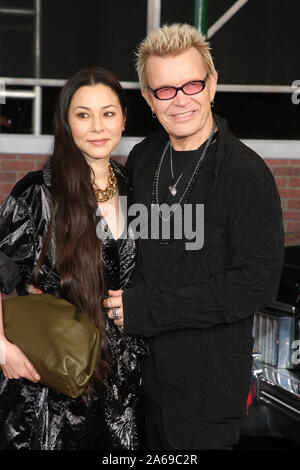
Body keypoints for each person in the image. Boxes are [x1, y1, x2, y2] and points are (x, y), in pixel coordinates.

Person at [104, 23, 284, 450]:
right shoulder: (145, 156)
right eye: (164, 90)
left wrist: (150, 309)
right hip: (140, 379)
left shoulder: (245, 174)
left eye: (191, 84)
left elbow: (255, 284)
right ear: (148, 99)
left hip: (205, 390)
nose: (180, 99)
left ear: (212, 85)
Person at [0, 66, 147, 450]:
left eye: (108, 113)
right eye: (83, 114)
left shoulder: (135, 188)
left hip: (121, 389)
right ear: (66, 122)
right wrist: (1, 347)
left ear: (124, 118)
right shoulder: (38, 193)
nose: (97, 126)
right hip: (50, 387)